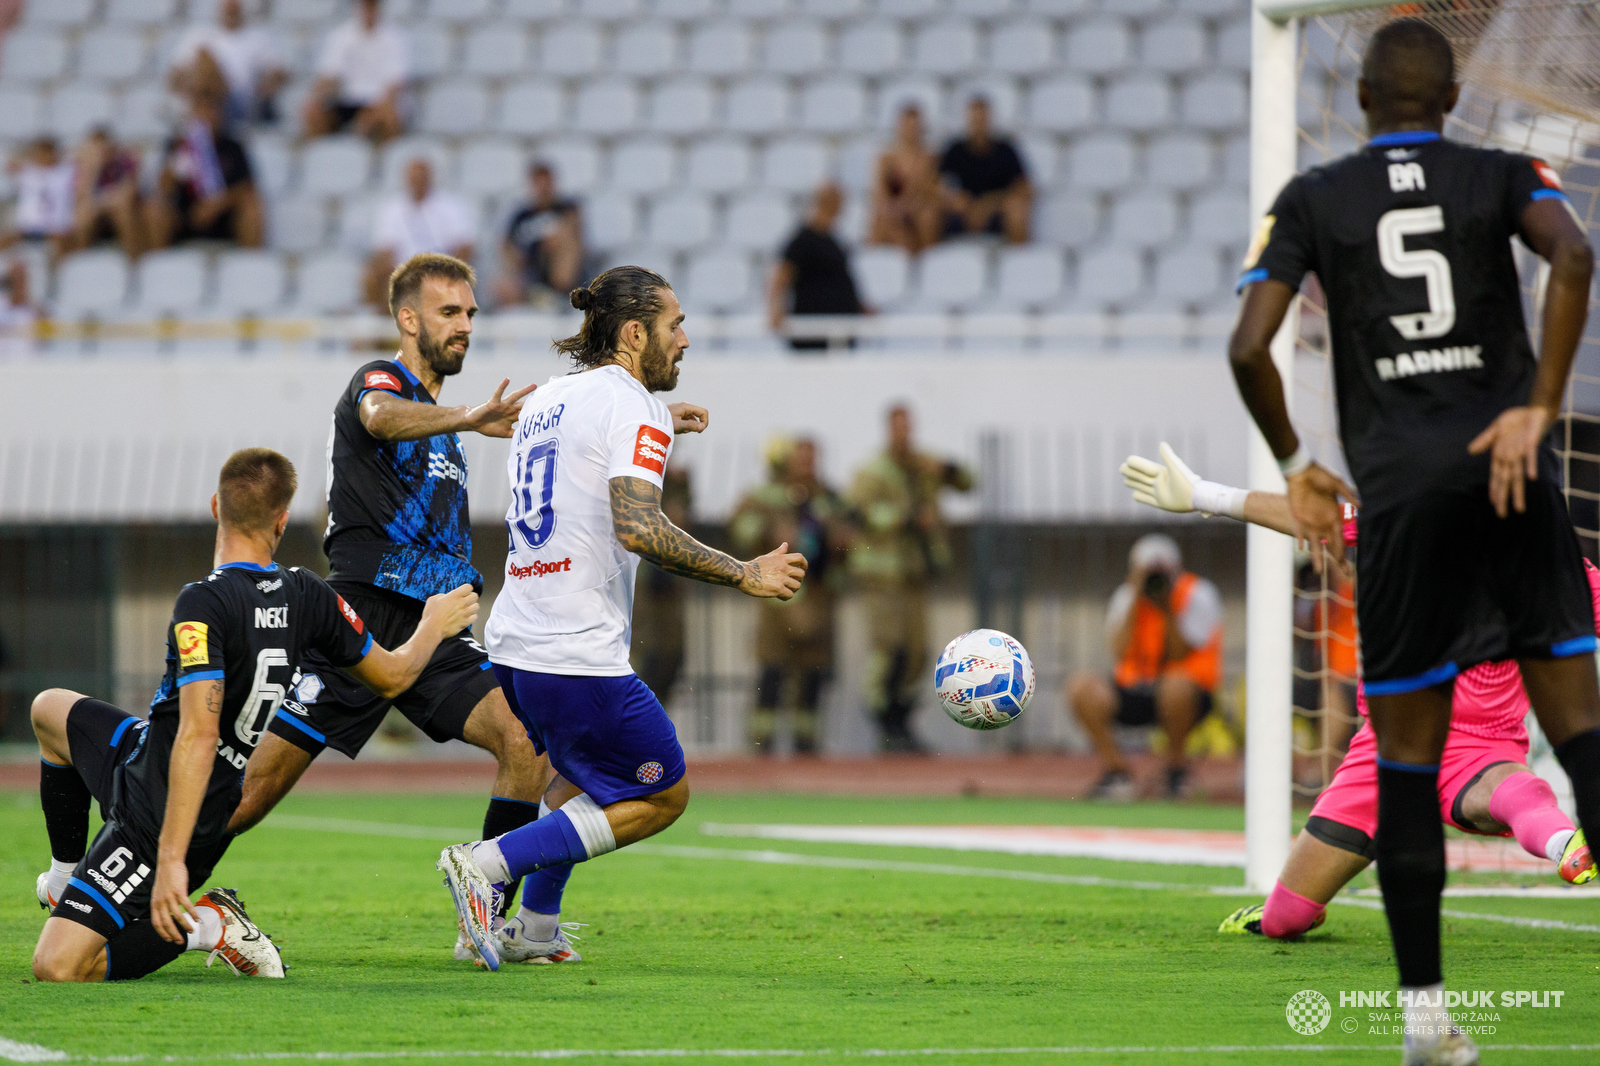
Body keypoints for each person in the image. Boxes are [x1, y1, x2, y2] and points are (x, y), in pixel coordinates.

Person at [1228, 20, 1600, 1065]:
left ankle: (1425, 1019)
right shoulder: (1502, 171)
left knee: (1401, 765)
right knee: (1578, 737)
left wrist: (1298, 457)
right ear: (1448, 99)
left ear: (1356, 102)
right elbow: (1573, 253)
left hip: (1399, 503)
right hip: (1510, 478)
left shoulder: (1312, 200)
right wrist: (1537, 404)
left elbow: (1248, 344)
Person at [436, 265, 808, 971]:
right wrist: (743, 572)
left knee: (581, 778)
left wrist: (663, 416)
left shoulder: (551, 397)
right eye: (676, 326)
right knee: (661, 793)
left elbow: (586, 446)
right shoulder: (630, 406)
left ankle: (536, 929)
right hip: (574, 648)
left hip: (517, 640)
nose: (686, 340)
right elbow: (637, 527)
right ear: (635, 332)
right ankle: (484, 866)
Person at [29, 448, 479, 982]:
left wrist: (171, 859)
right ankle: (63, 879)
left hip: (166, 812)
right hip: (147, 753)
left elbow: (199, 736)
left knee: (57, 967)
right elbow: (394, 676)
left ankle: (211, 924)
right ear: (282, 521)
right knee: (48, 711)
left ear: (216, 506)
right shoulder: (308, 594)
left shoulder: (202, 602)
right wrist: (430, 624)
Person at [1117, 445, 1597, 940]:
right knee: (1284, 923)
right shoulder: (1409, 525)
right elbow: (1309, 514)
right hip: (1383, 750)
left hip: (1478, 747)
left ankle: (1566, 843)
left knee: (1512, 793)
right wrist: (1202, 493)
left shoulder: (1561, 574)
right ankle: (1300, 904)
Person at [230, 255, 549, 964]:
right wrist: (468, 416)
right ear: (408, 321)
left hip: (438, 626)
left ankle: (484, 918)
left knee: (527, 743)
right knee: (249, 796)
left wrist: (652, 415)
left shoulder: (445, 418)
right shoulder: (381, 381)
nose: (465, 325)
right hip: (360, 623)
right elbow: (377, 417)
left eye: (470, 312)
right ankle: (146, 888)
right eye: (448, 313)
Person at [848, 405, 973, 752]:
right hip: (882, 572)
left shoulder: (923, 465)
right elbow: (858, 510)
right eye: (897, 427)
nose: (904, 434)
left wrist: (946, 467)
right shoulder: (873, 470)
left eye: (908, 427)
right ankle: (884, 722)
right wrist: (906, 518)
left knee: (918, 652)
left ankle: (902, 723)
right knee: (890, 648)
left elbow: (969, 481)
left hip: (915, 571)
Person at [1067, 534, 1222, 800]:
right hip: (1135, 687)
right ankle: (1117, 773)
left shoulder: (1197, 593)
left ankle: (1175, 772)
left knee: (1176, 685)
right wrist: (1135, 597)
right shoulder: (1127, 595)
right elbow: (1118, 650)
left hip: (1185, 692)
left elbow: (1178, 654)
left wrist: (1167, 608)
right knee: (1081, 688)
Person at [731, 437, 852, 754]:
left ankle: (807, 746)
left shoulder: (830, 498)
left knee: (813, 673)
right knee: (772, 668)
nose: (806, 466)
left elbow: (850, 536)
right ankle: (762, 744)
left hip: (819, 595)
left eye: (812, 459)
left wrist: (841, 538)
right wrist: (769, 531)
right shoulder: (765, 497)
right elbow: (740, 529)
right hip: (777, 597)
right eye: (801, 459)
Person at [145, 95, 263, 249]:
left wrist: (217, 204)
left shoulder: (232, 147)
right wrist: (175, 164)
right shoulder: (178, 145)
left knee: (252, 208)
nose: (206, 116)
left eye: (212, 110)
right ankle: (159, 266)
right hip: (184, 217)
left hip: (224, 218)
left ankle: (250, 265)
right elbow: (163, 188)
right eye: (200, 110)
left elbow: (247, 188)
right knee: (155, 208)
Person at [364, 159, 475, 310]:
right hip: (402, 270)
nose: (417, 182)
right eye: (413, 178)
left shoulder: (451, 205)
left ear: (430, 177)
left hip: (439, 268)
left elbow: (465, 247)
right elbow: (384, 250)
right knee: (373, 275)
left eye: (421, 177)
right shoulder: (392, 209)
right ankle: (384, 325)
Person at [768, 183, 865, 351]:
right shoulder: (802, 240)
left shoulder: (834, 240)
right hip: (813, 334)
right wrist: (775, 308)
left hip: (837, 331)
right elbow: (781, 275)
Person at [168, 0, 286, 129]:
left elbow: (279, 74)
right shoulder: (199, 35)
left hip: (240, 107)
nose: (231, 5)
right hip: (203, 104)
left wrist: (259, 95)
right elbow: (175, 75)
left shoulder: (258, 38)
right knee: (205, 62)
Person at [303, 0, 407, 143]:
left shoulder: (395, 37)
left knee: (388, 116)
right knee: (313, 112)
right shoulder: (341, 35)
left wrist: (372, 114)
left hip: (377, 103)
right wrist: (316, 99)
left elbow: (395, 86)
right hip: (346, 102)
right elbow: (329, 76)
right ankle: (319, 159)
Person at [630, 466, 692, 704]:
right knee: (644, 654)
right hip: (641, 578)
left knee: (672, 656)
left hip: (668, 579)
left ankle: (656, 712)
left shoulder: (675, 481)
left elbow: (681, 518)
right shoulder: (631, 470)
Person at [938, 96, 1031, 244]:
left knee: (1017, 210)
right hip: (960, 215)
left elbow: (1024, 188)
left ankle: (1018, 262)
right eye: (975, 119)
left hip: (996, 214)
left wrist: (991, 204)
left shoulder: (1005, 150)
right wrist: (956, 201)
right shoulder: (955, 150)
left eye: (982, 118)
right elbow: (936, 184)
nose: (979, 123)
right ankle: (929, 262)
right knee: (930, 211)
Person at [495, 161, 583, 306]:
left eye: (546, 183)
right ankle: (532, 302)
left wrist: (550, 242)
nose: (543, 189)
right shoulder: (521, 215)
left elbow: (574, 232)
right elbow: (507, 245)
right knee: (501, 282)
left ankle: (558, 297)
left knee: (568, 246)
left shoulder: (567, 209)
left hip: (556, 267)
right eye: (538, 183)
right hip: (529, 269)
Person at [870, 104, 942, 254]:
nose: (911, 130)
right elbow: (881, 194)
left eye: (915, 126)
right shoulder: (887, 160)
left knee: (927, 218)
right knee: (881, 219)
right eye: (908, 125)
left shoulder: (929, 159)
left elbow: (932, 194)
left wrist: (911, 204)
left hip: (917, 210)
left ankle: (923, 260)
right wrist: (894, 207)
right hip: (894, 211)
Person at [72, 128, 144, 259]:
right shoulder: (83, 166)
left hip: (117, 206)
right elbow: (81, 196)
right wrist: (93, 169)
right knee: (81, 216)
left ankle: (134, 259)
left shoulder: (124, 161)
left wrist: (105, 200)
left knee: (124, 212)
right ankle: (80, 260)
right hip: (95, 208)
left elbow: (129, 192)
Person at [2, 137, 74, 258]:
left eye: (47, 152)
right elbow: (8, 163)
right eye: (41, 152)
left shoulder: (65, 172)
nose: (44, 156)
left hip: (55, 228)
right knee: (4, 239)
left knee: (60, 244)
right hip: (27, 228)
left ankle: (61, 274)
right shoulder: (27, 172)